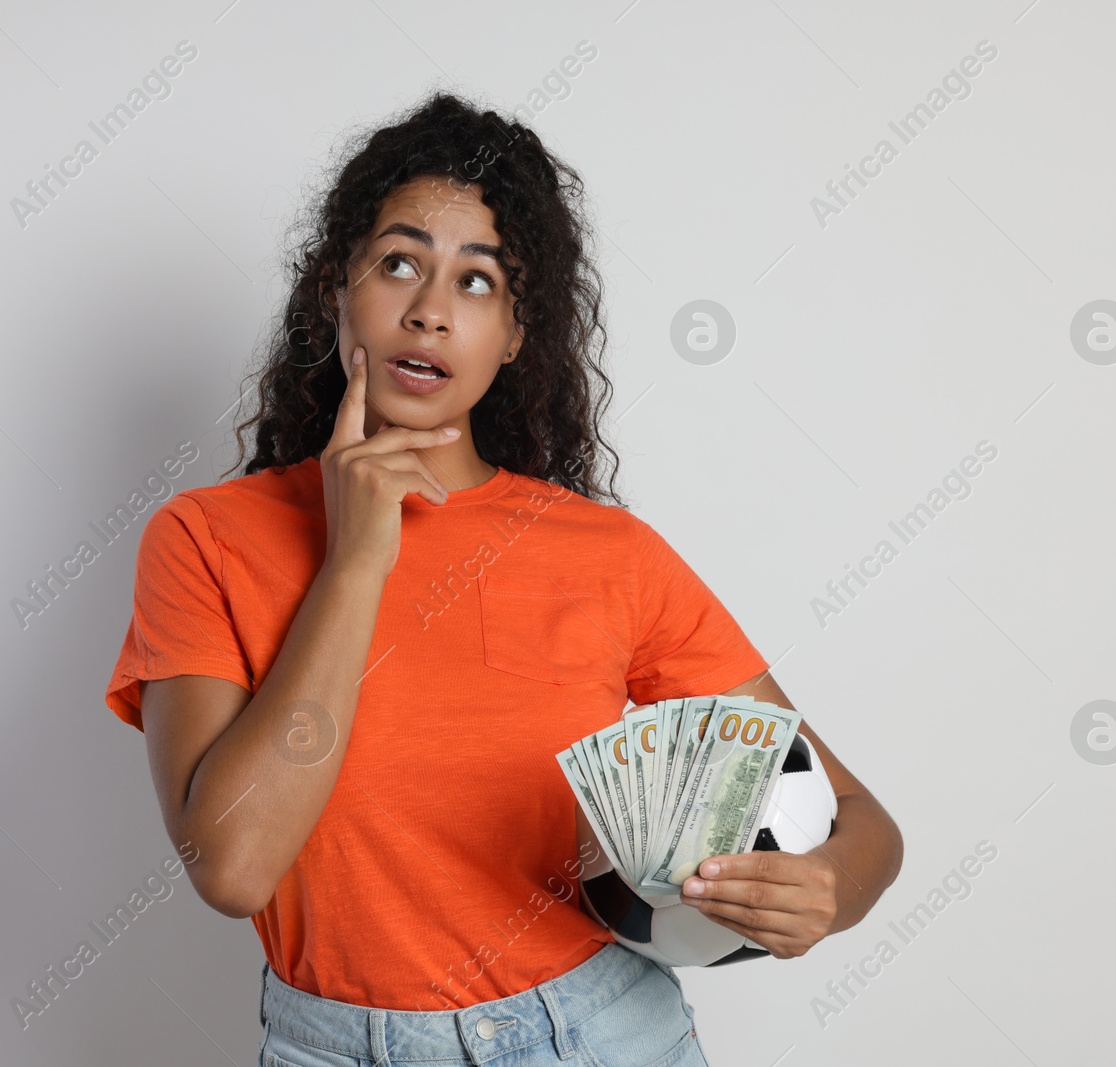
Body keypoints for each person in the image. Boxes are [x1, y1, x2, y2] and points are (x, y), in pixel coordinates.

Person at [104, 91, 903, 1067]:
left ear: (517, 333)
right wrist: (355, 562)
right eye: (399, 263)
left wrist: (825, 891)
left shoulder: (609, 555)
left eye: (477, 282)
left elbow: (860, 822)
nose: (431, 311)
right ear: (333, 290)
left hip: (602, 1034)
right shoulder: (207, 539)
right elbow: (232, 864)